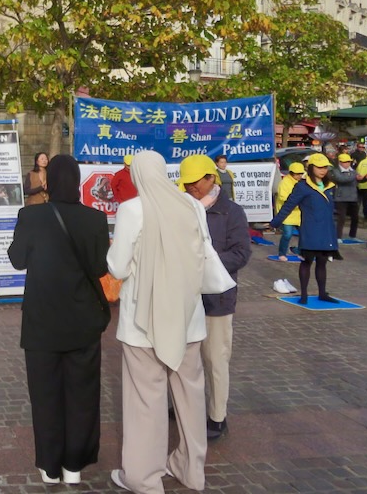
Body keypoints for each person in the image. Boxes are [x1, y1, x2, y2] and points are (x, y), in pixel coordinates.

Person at [107, 150, 207, 494]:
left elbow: (118, 268)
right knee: (191, 398)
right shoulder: (191, 205)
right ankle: (192, 470)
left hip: (142, 323)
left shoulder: (131, 210)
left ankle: (144, 478)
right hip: (188, 318)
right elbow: (202, 255)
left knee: (145, 401)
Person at [7, 154, 110, 485]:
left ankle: (50, 467)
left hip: (41, 322)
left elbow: (17, 260)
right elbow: (98, 268)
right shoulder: (94, 219)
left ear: (48, 182)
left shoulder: (30, 216)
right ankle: (74, 466)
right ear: (78, 181)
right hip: (82, 321)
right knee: (82, 394)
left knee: (45, 394)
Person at [178, 155, 251, 441]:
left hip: (217, 299)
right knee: (182, 357)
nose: (192, 188)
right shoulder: (182, 207)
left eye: (197, 182)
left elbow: (241, 253)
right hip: (185, 296)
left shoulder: (231, 212)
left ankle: (217, 416)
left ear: (212, 178)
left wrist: (207, 262)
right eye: (187, 183)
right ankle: (183, 405)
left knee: (215, 358)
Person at [270, 153, 341, 305]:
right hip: (310, 229)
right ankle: (304, 295)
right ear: (311, 168)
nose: (323, 170)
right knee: (307, 261)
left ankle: (322, 293)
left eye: (325, 167)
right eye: (319, 167)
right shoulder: (303, 186)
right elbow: (288, 205)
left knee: (322, 262)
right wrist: (275, 222)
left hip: (326, 229)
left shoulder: (330, 185)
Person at [275, 162, 306, 260]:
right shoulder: (285, 182)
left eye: (301, 174)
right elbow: (283, 197)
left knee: (304, 233)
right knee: (287, 234)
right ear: (292, 173)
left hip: (299, 213)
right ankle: (282, 253)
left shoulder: (303, 182)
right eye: (297, 174)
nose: (299, 176)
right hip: (287, 213)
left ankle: (300, 251)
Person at [329, 153, 359, 240]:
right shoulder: (335, 171)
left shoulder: (352, 171)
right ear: (340, 162)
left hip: (353, 197)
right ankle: (338, 236)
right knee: (341, 218)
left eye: (348, 162)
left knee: (355, 217)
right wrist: (355, 176)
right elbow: (342, 179)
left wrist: (364, 178)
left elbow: (356, 181)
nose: (347, 164)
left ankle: (352, 235)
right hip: (340, 198)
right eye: (345, 162)